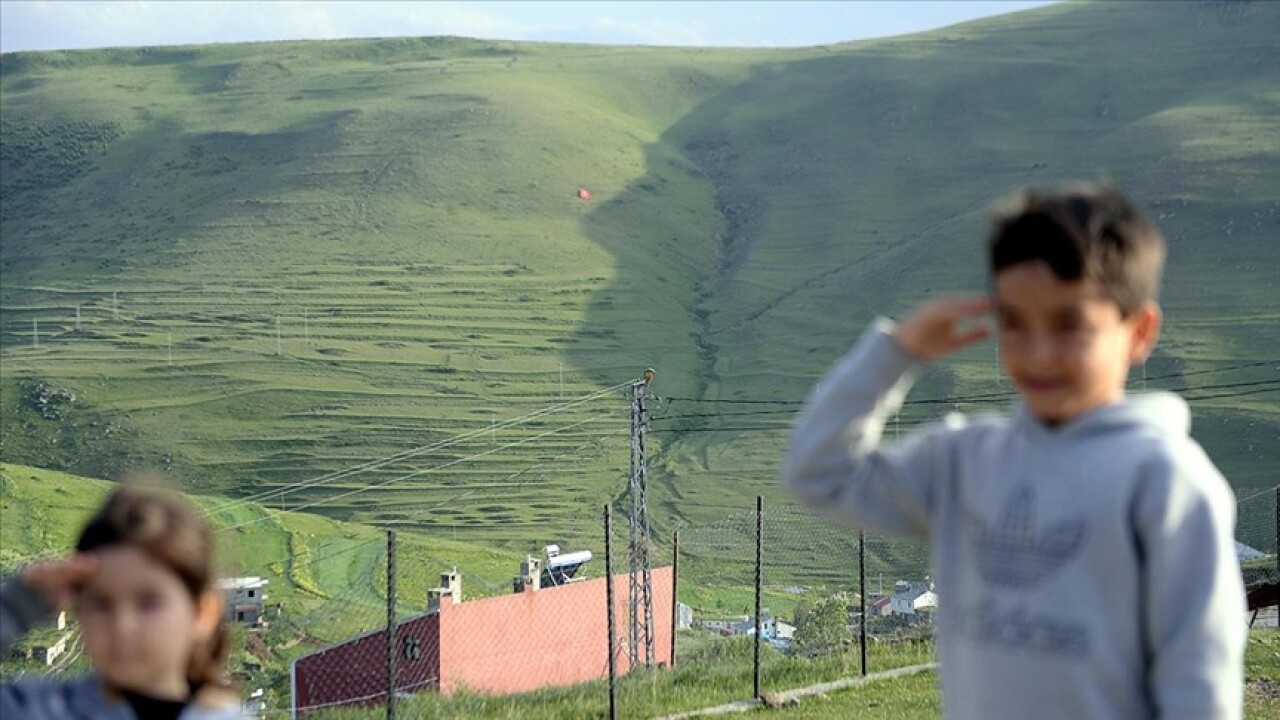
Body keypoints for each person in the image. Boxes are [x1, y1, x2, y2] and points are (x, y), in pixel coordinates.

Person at [782, 184, 1246, 719]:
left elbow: (1199, 689)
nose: (1039, 352)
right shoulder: (965, 460)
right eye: (1016, 323)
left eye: (1070, 324)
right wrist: (896, 351)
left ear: (1138, 331)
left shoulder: (1167, 482)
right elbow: (819, 473)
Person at [1, 484, 241, 719]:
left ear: (202, 612)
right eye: (101, 604)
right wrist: (13, 608)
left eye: (148, 602)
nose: (122, 626)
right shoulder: (34, 710)